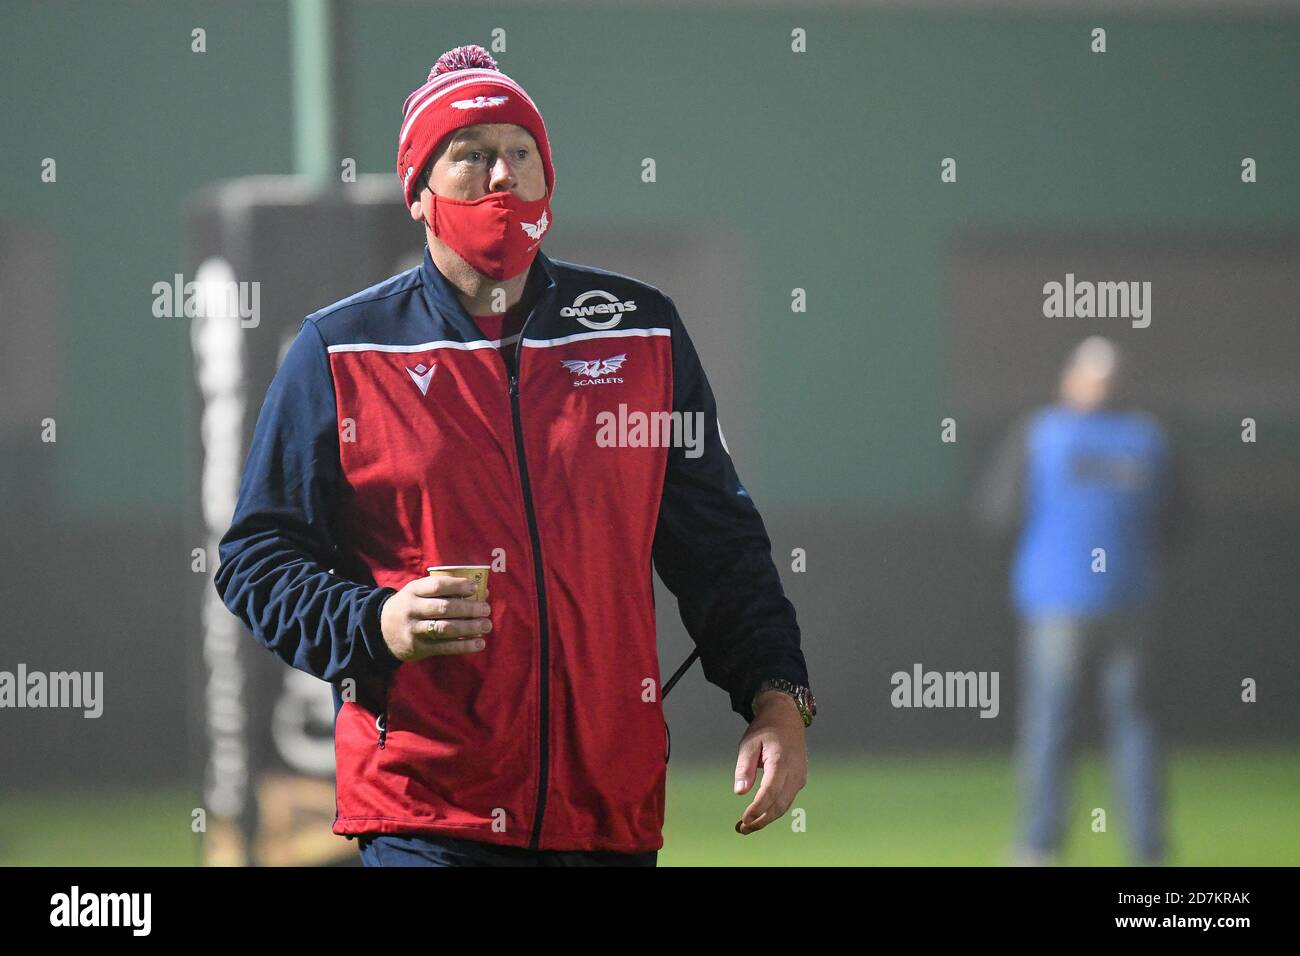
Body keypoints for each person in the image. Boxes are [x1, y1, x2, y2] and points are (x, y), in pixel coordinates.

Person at [214, 45, 815, 867]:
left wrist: (777, 699)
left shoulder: (641, 331)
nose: (502, 175)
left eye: (520, 153)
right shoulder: (339, 349)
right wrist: (373, 622)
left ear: (547, 179)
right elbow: (254, 559)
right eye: (470, 156)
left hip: (610, 812)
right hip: (429, 814)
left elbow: (720, 546)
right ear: (420, 193)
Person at [973, 336, 1190, 865]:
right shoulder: (1149, 438)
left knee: (1051, 723)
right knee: (1134, 724)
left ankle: (1041, 844)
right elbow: (1179, 520)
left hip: (1057, 600)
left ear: (1071, 380)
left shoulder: (1041, 433)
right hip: (1130, 600)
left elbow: (997, 513)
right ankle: (1149, 849)